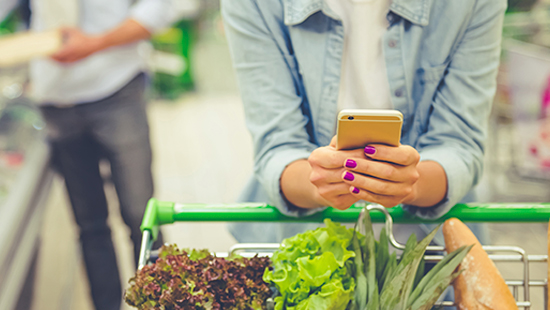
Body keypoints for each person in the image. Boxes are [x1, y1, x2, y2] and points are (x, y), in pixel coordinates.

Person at [221, 0, 507, 244]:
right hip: (300, 245)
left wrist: (412, 183)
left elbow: (460, 144)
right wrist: (317, 181)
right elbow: (277, 145)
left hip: (429, 251)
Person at [0, 1, 177, 309]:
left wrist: (95, 43)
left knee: (142, 216)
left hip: (118, 89)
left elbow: (160, 7)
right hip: (57, 100)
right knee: (90, 225)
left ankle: (159, 303)